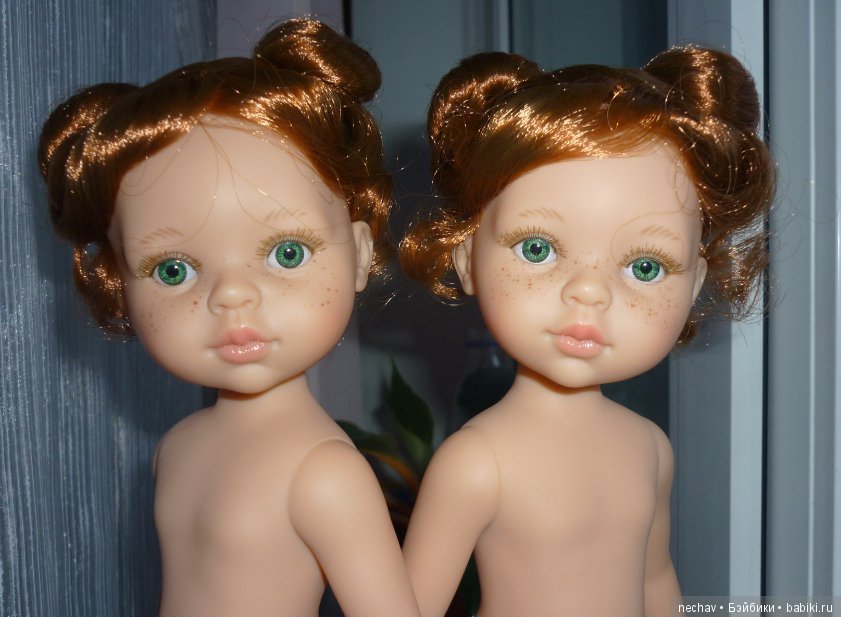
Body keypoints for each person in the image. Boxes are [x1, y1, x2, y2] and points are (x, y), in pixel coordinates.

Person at [39, 18, 419, 617]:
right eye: (173, 270)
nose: (232, 296)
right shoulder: (176, 446)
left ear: (359, 253)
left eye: (286, 253)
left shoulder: (323, 473)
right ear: (120, 285)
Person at [400, 47, 774, 617]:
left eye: (645, 266)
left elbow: (656, 580)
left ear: (695, 283)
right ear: (467, 258)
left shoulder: (649, 447)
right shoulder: (477, 462)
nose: (589, 292)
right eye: (537, 249)